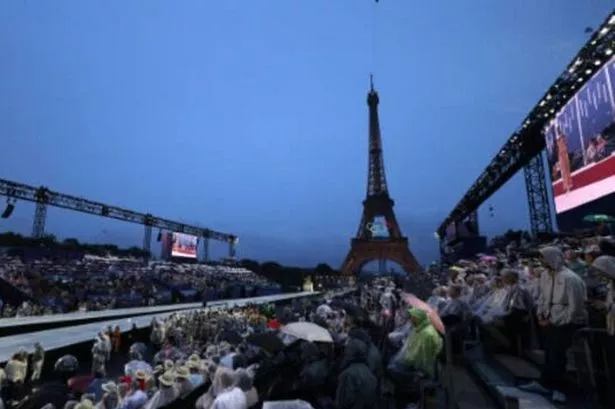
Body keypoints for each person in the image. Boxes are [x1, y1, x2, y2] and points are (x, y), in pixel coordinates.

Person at [519, 246, 587, 403]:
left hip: (565, 323)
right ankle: (545, 383)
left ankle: (559, 388)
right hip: (548, 320)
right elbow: (542, 297)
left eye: (542, 258)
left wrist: (557, 321)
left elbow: (575, 307)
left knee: (558, 356)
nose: (540, 262)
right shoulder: (544, 276)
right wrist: (541, 315)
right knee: (549, 354)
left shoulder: (571, 278)